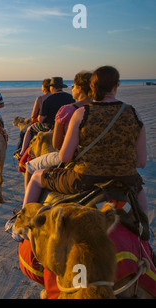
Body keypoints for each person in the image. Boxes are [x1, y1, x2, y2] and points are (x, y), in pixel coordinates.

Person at [23, 66, 148, 215]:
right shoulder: (134, 113)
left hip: (85, 179)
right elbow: (141, 162)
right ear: (116, 86)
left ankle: (22, 221)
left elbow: (65, 157)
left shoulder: (82, 113)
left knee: (37, 176)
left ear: (92, 87)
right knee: (141, 203)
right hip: (126, 179)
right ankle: (145, 234)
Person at [23, 71, 93, 189]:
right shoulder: (71, 98)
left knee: (29, 132)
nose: (72, 88)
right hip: (93, 157)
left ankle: (21, 152)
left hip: (51, 130)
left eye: (74, 86)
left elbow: (42, 121)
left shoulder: (60, 106)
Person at [17, 77, 75, 159]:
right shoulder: (70, 97)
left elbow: (41, 119)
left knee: (29, 129)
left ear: (52, 87)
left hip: (49, 126)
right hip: (66, 126)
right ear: (61, 87)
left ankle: (22, 152)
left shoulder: (48, 99)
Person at [14, 79, 52, 159]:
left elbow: (33, 116)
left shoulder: (40, 98)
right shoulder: (55, 97)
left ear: (44, 87)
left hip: (43, 124)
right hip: (54, 124)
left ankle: (21, 152)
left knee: (24, 132)